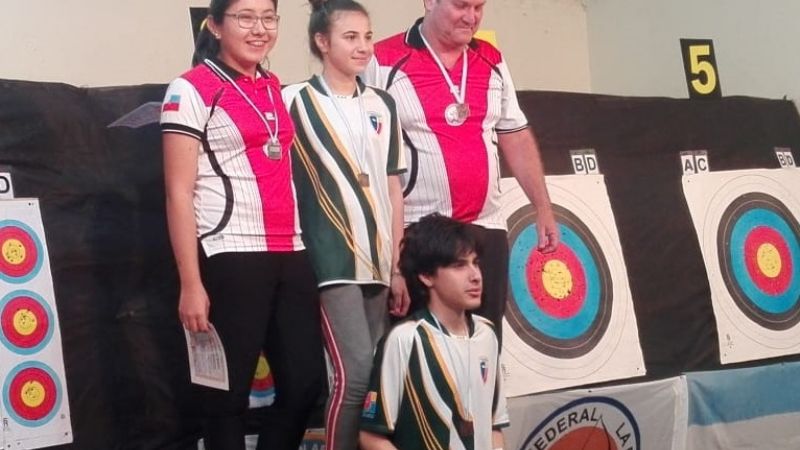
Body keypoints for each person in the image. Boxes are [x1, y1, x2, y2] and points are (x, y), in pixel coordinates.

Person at [160, 0, 324, 448]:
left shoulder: (274, 87)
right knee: (225, 399)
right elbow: (178, 193)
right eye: (245, 17)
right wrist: (190, 282)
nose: (259, 29)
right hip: (229, 252)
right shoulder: (190, 89)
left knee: (307, 383)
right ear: (214, 24)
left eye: (268, 18)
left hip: (290, 250)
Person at [362, 0, 560, 341]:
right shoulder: (383, 59)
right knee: (419, 348)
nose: (471, 17)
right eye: (460, 6)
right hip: (418, 229)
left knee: (484, 343)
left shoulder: (492, 59)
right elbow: (364, 149)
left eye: (479, 7)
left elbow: (516, 135)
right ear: (430, 2)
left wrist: (542, 207)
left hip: (487, 227)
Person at [281, 1, 408, 448]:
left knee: (372, 377)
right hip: (328, 258)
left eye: (368, 37)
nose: (363, 47)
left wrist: (395, 266)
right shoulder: (291, 100)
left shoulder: (383, 104)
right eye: (351, 37)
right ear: (322, 41)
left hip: (377, 258)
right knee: (353, 374)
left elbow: (392, 186)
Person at [359, 213, 509, 450]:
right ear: (426, 276)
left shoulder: (486, 334)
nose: (475, 276)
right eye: (459, 265)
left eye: (476, 263)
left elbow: (494, 426)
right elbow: (371, 437)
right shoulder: (405, 339)